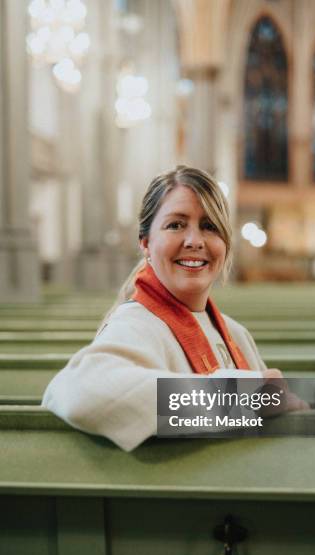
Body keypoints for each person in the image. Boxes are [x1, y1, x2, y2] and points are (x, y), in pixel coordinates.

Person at [43, 165, 285, 451]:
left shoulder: (236, 333)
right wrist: (235, 399)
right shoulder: (135, 324)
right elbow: (80, 389)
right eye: (176, 225)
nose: (194, 241)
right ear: (146, 243)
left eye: (209, 226)